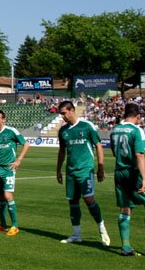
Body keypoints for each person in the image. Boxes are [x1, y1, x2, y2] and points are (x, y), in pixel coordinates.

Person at [110, 103, 145, 256]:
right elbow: (139, 155)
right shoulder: (136, 130)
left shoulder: (114, 130)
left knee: (125, 206)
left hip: (119, 171)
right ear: (138, 116)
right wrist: (143, 177)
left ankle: (126, 247)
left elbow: (115, 152)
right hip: (133, 172)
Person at [56, 100, 110, 246]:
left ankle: (101, 227)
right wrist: (58, 170)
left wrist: (100, 167)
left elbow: (98, 146)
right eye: (61, 114)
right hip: (71, 172)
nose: (62, 116)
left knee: (88, 199)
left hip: (86, 170)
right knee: (72, 202)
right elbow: (62, 151)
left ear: (72, 111)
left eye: (64, 113)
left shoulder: (87, 126)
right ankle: (76, 234)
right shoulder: (63, 131)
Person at [0, 109, 30, 236]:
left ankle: (15, 226)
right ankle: (2, 225)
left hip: (9, 168)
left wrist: (19, 160)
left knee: (8, 196)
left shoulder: (11, 131)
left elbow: (26, 144)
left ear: (4, 120)